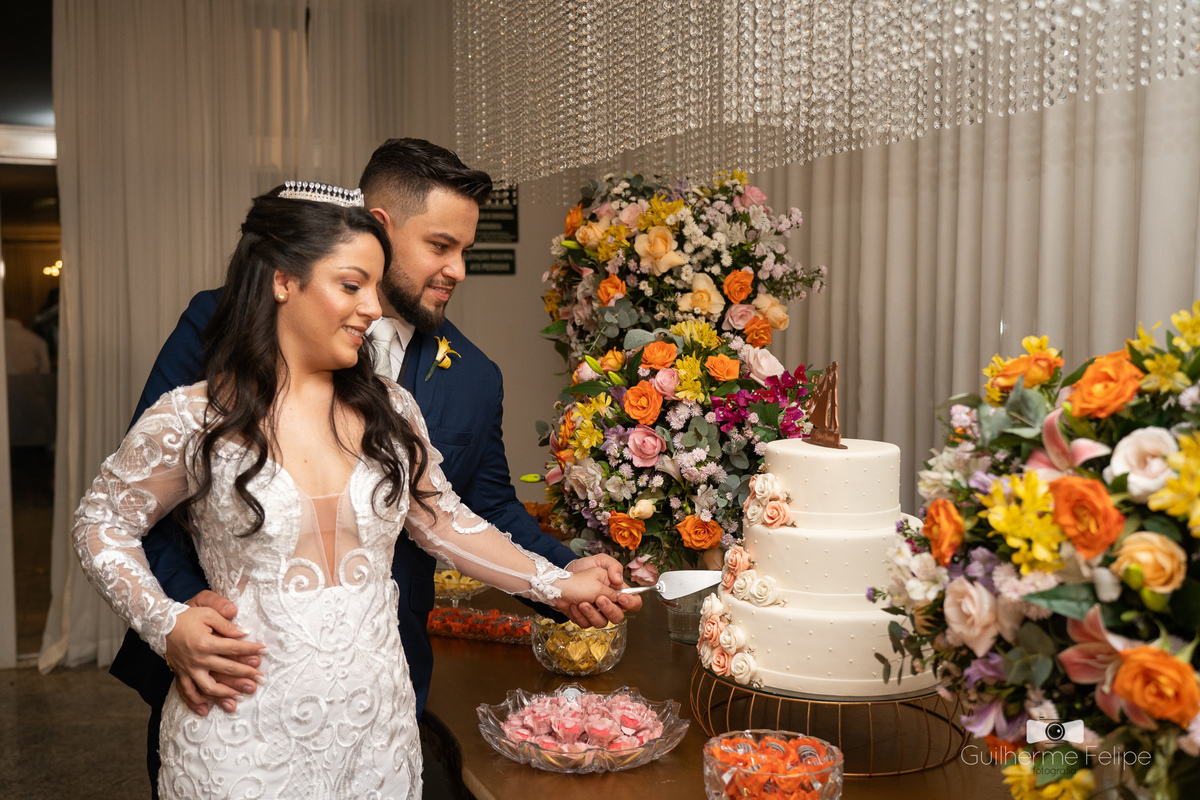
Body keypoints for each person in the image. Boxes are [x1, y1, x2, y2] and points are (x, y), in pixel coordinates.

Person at [107, 138, 640, 796]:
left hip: (378, 696)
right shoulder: (217, 330)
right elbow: (139, 502)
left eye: (466, 251)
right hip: (231, 687)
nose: (457, 270)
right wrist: (181, 621)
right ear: (380, 229)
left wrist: (563, 579)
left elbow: (471, 511)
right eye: (441, 245)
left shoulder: (467, 378)